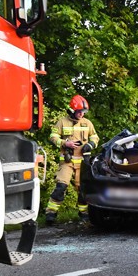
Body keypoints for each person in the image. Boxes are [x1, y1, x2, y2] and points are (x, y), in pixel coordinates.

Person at [45, 94, 99, 225]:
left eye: (84, 112)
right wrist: (65, 143)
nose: (82, 114)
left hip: (83, 162)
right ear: (72, 110)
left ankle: (84, 215)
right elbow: (53, 136)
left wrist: (90, 145)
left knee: (82, 190)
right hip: (67, 162)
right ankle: (50, 214)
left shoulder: (87, 123)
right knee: (60, 186)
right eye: (80, 112)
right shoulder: (62, 122)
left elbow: (95, 137)